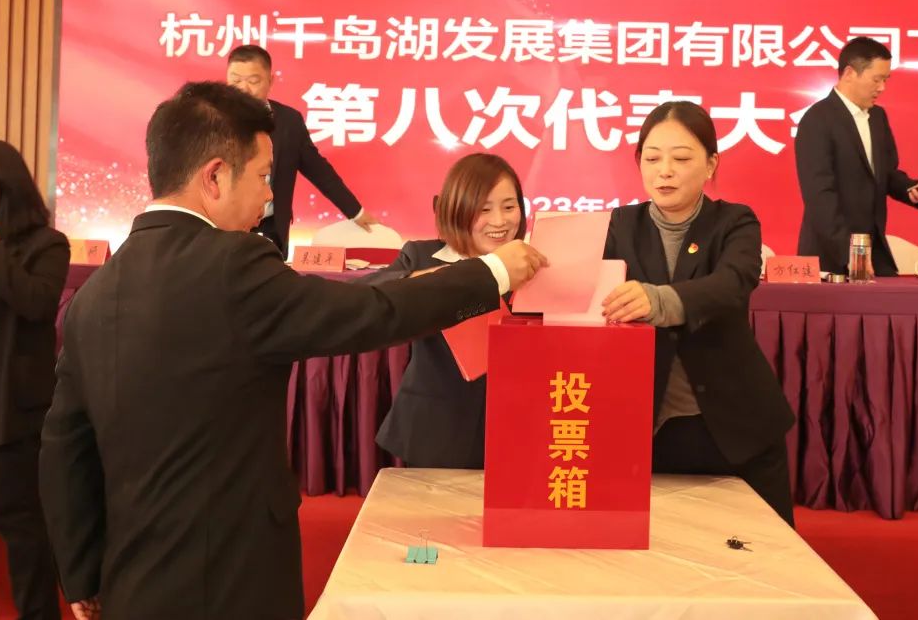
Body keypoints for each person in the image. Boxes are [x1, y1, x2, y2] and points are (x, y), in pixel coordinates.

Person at [38, 82, 545, 620]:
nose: (269, 198)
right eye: (263, 177)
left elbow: (64, 444)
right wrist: (492, 273)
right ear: (214, 177)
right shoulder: (235, 266)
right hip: (234, 578)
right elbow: (371, 312)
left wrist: (81, 573)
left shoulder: (94, 294)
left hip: (130, 581)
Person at [602, 101, 796, 526]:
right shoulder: (619, 225)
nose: (664, 171)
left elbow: (732, 283)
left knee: (763, 547)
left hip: (734, 424)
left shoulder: (735, 222)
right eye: (652, 158)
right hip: (651, 426)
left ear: (710, 165)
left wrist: (658, 301)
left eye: (681, 158)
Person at [0, 140, 70, 620]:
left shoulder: (47, 244)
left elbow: (37, 304)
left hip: (8, 409)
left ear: (10, 188)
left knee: (20, 526)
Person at [360, 153, 526, 469]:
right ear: (457, 209)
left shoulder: (531, 263)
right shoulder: (422, 256)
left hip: (517, 431)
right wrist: (471, 274)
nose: (500, 221)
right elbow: (369, 296)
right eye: (484, 209)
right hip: (436, 430)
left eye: (509, 207)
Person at [795, 36, 918, 276]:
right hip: (830, 258)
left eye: (886, 80)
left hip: (873, 252)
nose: (882, 87)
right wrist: (852, 255)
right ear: (849, 73)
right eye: (877, 79)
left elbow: (886, 174)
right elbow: (820, 197)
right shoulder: (817, 119)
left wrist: (913, 189)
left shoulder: (877, 117)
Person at [225, 44, 377, 253]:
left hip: (271, 228)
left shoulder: (289, 121)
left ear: (270, 81)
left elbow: (318, 170)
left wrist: (356, 212)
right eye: (235, 81)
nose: (243, 89)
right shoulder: (211, 120)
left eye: (253, 81)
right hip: (224, 227)